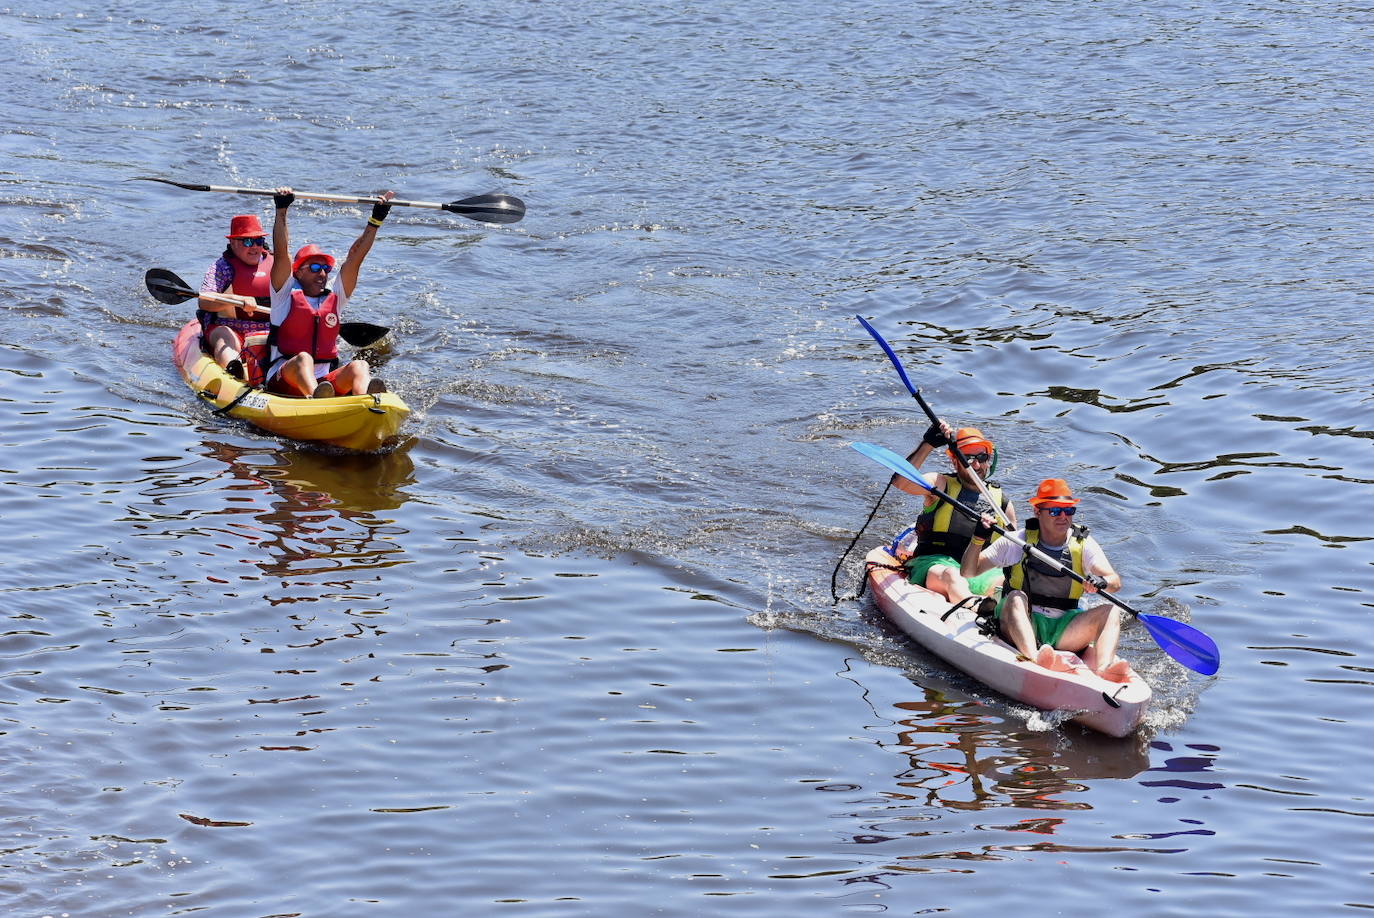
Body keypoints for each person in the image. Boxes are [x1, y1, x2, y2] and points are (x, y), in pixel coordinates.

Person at [960, 478, 1125, 675]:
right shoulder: (1017, 540)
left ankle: (1105, 669)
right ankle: (1035, 659)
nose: (1063, 517)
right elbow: (968, 572)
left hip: (1063, 628)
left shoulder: (1084, 545)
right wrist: (978, 538)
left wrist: (1102, 582)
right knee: (1015, 597)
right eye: (1055, 511)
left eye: (1069, 511)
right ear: (1037, 512)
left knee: (1111, 611)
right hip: (1021, 621)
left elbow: (1114, 582)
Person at [264, 185, 395, 398]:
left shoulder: (335, 299)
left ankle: (368, 401)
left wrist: (376, 220)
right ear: (297, 273)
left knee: (360, 365)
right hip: (283, 378)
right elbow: (281, 254)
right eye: (314, 268)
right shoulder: (282, 296)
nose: (322, 273)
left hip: (324, 383)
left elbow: (355, 261)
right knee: (303, 358)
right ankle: (317, 398)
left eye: (325, 268)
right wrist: (281, 210)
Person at [889, 421, 1017, 606]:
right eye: (967, 457)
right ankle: (976, 607)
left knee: (1008, 585)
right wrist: (928, 444)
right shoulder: (940, 483)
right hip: (934, 564)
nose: (976, 464)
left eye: (981, 457)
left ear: (989, 460)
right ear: (955, 460)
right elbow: (901, 482)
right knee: (952, 575)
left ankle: (1001, 613)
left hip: (978, 570)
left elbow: (1013, 551)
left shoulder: (1002, 503)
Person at [198, 213, 274, 381]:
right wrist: (238, 300)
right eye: (247, 241)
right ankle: (235, 373)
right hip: (231, 328)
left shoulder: (277, 265)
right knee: (224, 335)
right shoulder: (222, 267)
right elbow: (204, 300)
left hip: (270, 329)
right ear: (232, 243)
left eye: (258, 241)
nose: (254, 247)